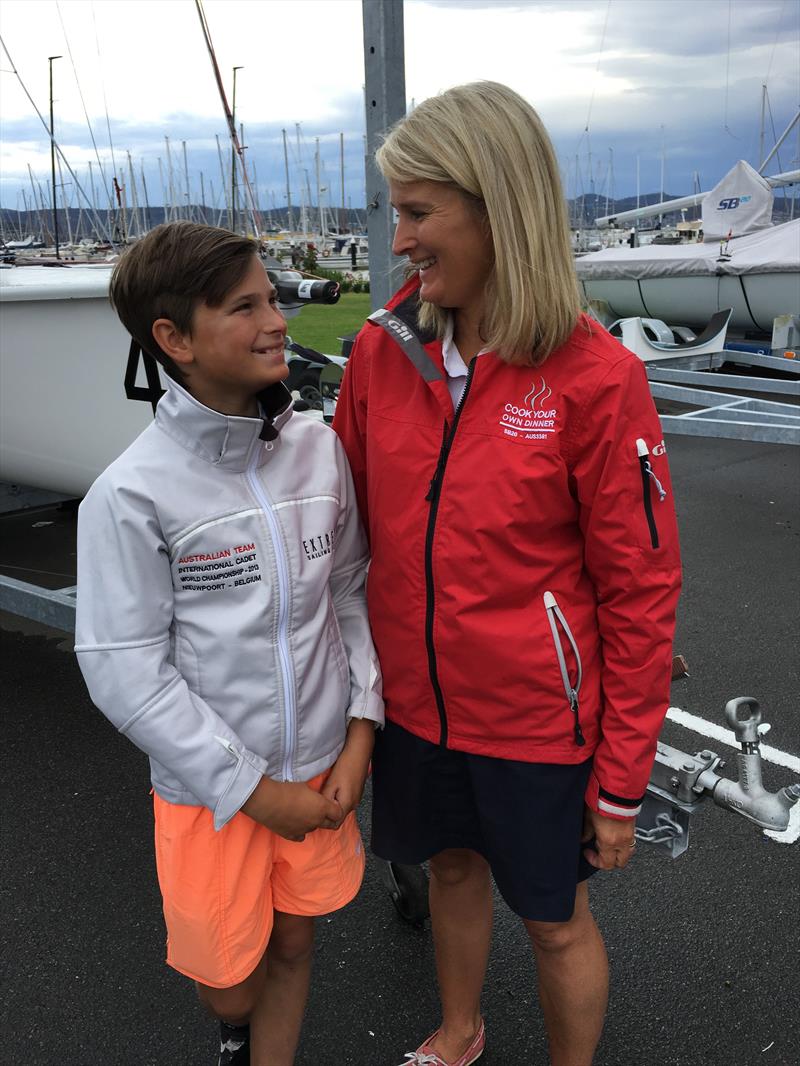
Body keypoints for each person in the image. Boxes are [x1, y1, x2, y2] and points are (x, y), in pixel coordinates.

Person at [333, 82, 681, 1066]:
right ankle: (458, 1030)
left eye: (415, 212)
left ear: (493, 204)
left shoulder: (593, 376)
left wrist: (619, 782)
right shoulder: (377, 352)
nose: (398, 239)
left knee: (552, 916)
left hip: (536, 721)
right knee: (448, 869)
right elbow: (342, 526)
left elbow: (640, 590)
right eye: (395, 212)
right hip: (415, 709)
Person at [75, 221, 383, 1066]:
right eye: (244, 307)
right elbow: (123, 670)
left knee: (294, 942)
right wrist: (250, 789)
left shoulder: (319, 452)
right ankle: (235, 1030)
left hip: (321, 768)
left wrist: (361, 729)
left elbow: (351, 591)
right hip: (211, 794)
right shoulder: (130, 494)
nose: (276, 320)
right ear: (172, 339)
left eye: (274, 298)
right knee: (230, 983)